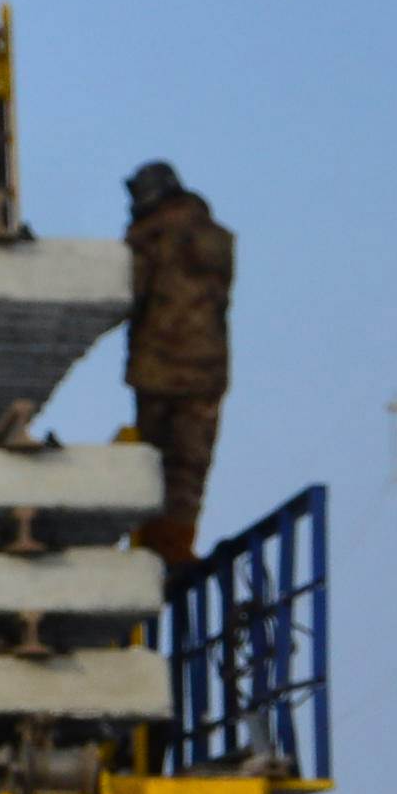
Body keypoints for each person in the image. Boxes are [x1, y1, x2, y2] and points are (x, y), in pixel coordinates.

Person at [121, 159, 234, 567]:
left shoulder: (149, 239)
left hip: (158, 369)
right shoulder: (214, 238)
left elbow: (128, 292)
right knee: (190, 467)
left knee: (154, 461)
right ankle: (178, 545)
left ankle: (156, 546)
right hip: (207, 370)